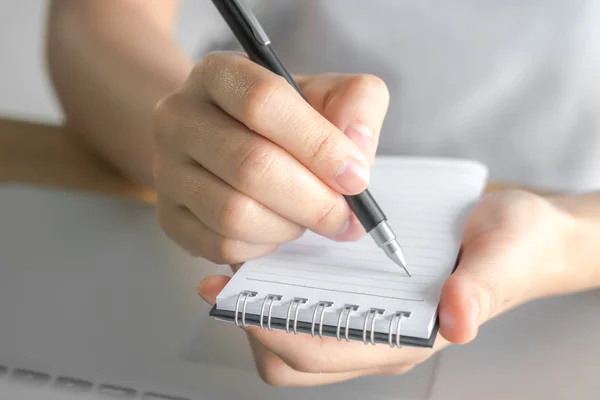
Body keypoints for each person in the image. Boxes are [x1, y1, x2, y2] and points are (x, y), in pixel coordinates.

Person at [45, 0, 600, 387]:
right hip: (228, 227)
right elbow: (95, 21)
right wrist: (181, 140)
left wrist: (567, 241)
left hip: (571, 298)